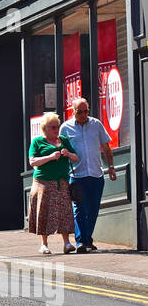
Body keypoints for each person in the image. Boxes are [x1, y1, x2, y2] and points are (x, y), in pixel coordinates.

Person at [60, 97, 116, 253]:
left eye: (86, 111)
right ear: (73, 111)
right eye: (80, 112)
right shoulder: (65, 128)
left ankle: (87, 240)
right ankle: (80, 242)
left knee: (92, 210)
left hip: (96, 174)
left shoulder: (96, 124)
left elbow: (106, 147)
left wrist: (111, 167)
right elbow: (61, 152)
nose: (84, 115)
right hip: (76, 175)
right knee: (79, 209)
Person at [27, 112, 79, 255]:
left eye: (57, 127)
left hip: (61, 182)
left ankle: (67, 243)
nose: (56, 130)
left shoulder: (63, 140)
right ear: (45, 128)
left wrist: (68, 154)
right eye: (53, 127)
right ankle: (44, 244)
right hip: (43, 182)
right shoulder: (37, 142)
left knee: (64, 212)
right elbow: (32, 162)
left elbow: (76, 158)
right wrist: (50, 157)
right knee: (44, 212)